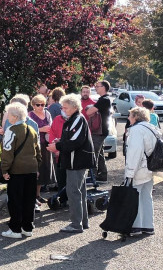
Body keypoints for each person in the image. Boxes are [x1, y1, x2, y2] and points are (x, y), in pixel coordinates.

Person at [47, 93, 96, 233]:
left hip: (77, 161)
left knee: (73, 191)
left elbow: (75, 141)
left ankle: (76, 224)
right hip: (76, 160)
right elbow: (70, 139)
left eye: (65, 107)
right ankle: (82, 222)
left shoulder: (78, 119)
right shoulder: (73, 119)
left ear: (74, 107)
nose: (63, 109)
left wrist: (57, 146)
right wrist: (60, 142)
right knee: (79, 192)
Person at [0, 102, 42, 239]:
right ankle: (27, 227)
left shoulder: (11, 131)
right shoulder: (32, 130)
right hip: (31, 170)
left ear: (14, 116)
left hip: (17, 171)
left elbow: (7, 152)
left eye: (8, 114)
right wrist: (37, 167)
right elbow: (38, 152)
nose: (7, 117)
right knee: (29, 200)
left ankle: (15, 229)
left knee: (15, 200)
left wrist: (4, 169)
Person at [124, 106, 158, 236]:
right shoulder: (151, 128)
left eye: (130, 115)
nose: (128, 118)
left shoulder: (136, 130)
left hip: (139, 169)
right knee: (146, 197)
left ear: (136, 117)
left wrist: (129, 173)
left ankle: (135, 227)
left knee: (134, 198)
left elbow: (135, 153)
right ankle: (148, 226)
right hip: (151, 168)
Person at [29, 94, 55, 206]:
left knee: (44, 170)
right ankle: (32, 196)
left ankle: (38, 194)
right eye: (38, 105)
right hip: (36, 146)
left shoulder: (47, 113)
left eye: (43, 104)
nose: (41, 107)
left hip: (46, 145)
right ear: (33, 105)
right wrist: (41, 129)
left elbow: (52, 125)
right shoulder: (30, 115)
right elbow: (28, 130)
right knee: (36, 170)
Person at [85, 80, 112, 183]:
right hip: (100, 130)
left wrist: (90, 108)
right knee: (99, 154)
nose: (96, 88)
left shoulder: (104, 100)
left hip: (100, 131)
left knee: (93, 153)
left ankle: (92, 176)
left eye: (98, 86)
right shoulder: (103, 99)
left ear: (104, 87)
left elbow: (89, 112)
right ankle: (102, 176)